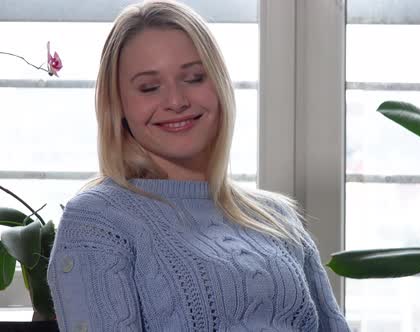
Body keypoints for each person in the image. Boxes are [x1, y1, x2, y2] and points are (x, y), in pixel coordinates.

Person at [46, 1, 351, 331]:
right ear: (118, 105)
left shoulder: (277, 217)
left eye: (193, 78)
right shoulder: (98, 221)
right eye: (149, 87)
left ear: (219, 85)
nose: (176, 101)